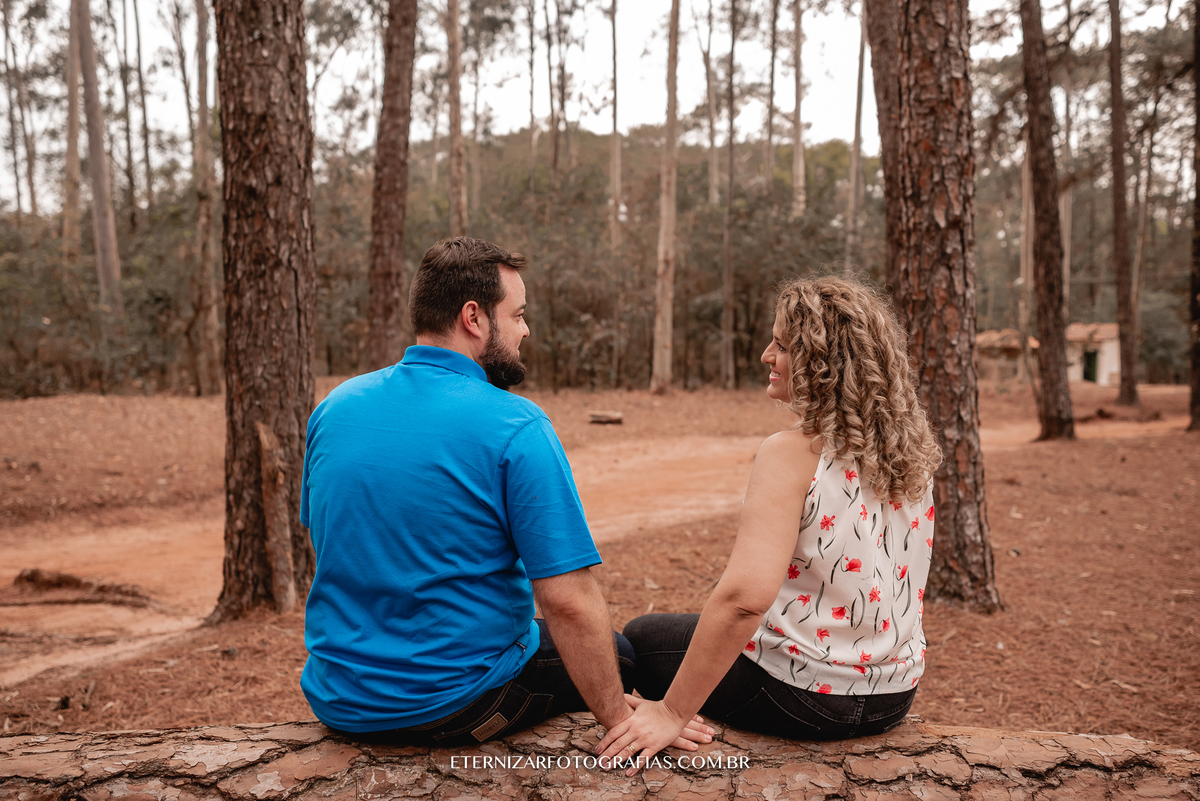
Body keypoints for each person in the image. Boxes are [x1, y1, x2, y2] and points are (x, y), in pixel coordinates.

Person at [300, 236, 712, 749]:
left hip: (337, 699)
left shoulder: (335, 407)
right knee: (622, 654)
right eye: (517, 315)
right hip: (454, 703)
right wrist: (617, 720)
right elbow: (566, 601)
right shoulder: (515, 425)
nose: (525, 329)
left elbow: (332, 538)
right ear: (474, 318)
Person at [597, 275, 941, 768]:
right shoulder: (909, 454)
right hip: (893, 696)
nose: (766, 353)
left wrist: (672, 711)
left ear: (821, 363)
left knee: (645, 640)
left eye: (781, 344)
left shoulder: (790, 454)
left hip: (807, 699)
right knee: (682, 633)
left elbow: (743, 601)